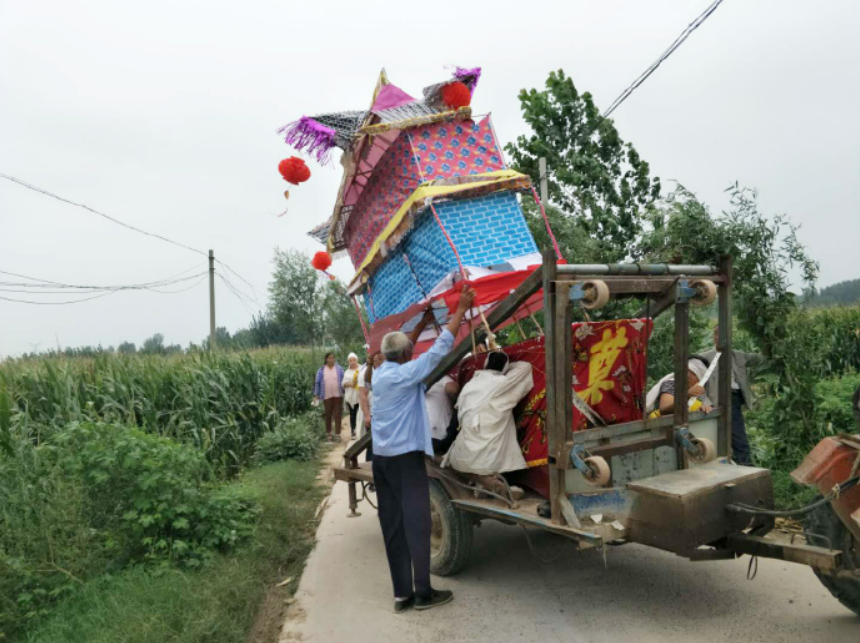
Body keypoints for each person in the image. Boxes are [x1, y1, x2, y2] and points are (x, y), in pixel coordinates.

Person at [371, 286, 475, 613]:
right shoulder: (404, 375)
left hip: (382, 461)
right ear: (404, 357)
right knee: (417, 522)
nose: (411, 354)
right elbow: (436, 352)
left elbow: (407, 349)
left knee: (393, 525)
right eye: (408, 352)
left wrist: (422, 322)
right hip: (405, 461)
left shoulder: (382, 373)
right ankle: (424, 593)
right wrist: (461, 311)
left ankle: (402, 595)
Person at [442, 352, 533, 499]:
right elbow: (526, 367)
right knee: (496, 438)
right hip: (489, 447)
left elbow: (459, 410)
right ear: (505, 368)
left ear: (485, 365)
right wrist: (511, 364)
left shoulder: (470, 384)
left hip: (464, 448)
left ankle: (484, 483)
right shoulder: (502, 383)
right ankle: (496, 485)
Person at [702, 325, 765, 466]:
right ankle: (744, 464)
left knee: (736, 434)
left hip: (733, 398)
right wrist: (705, 401)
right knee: (727, 435)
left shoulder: (738, 355)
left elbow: (761, 359)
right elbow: (698, 385)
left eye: (724, 335)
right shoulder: (706, 357)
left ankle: (743, 464)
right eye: (717, 334)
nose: (720, 338)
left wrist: (769, 341)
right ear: (714, 336)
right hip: (715, 399)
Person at [645, 357, 714, 417]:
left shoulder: (700, 395)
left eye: (693, 373)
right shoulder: (672, 383)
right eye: (686, 370)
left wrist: (703, 409)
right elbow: (664, 409)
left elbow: (706, 407)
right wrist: (687, 395)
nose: (687, 375)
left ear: (700, 380)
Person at [357, 351, 383, 461]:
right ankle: (370, 468)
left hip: (386, 414)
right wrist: (367, 415)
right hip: (373, 414)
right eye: (378, 356)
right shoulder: (364, 374)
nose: (381, 358)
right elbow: (362, 396)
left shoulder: (388, 371)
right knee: (372, 444)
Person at [313, 353, 344, 442]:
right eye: (329, 358)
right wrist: (316, 395)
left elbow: (343, 380)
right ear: (326, 359)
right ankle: (329, 434)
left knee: (338, 414)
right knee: (328, 415)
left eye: (333, 358)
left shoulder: (339, 369)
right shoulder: (321, 370)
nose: (331, 360)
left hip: (338, 395)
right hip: (326, 395)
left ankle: (338, 434)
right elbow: (317, 383)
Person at [426, 374, 460, 455]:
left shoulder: (441, 378)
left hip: (431, 437)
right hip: (434, 437)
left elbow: (453, 389)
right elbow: (453, 389)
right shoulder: (441, 378)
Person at [342, 353, 362, 439]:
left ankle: (361, 431)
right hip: (351, 396)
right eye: (350, 361)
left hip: (360, 395)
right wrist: (351, 384)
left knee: (360, 413)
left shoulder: (362, 369)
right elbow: (343, 384)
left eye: (354, 360)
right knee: (352, 414)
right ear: (348, 362)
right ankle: (353, 431)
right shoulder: (347, 372)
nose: (352, 362)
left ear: (357, 360)